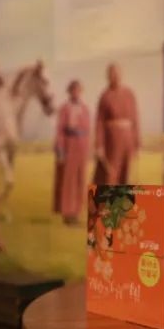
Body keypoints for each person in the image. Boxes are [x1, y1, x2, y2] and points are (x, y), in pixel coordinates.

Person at [94, 64, 140, 185]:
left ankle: (124, 197)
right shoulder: (105, 96)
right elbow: (99, 122)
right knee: (110, 173)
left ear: (121, 75)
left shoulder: (129, 94)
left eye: (117, 73)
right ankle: (111, 197)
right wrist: (99, 145)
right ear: (108, 76)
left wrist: (137, 143)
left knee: (127, 173)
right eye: (112, 74)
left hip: (128, 140)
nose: (115, 76)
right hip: (112, 141)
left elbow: (135, 120)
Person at [54, 80, 91, 225]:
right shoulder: (64, 108)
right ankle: (68, 213)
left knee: (80, 179)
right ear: (69, 92)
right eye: (73, 90)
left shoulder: (85, 108)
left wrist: (89, 149)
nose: (76, 93)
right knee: (69, 180)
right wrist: (60, 149)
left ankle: (76, 212)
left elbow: (88, 130)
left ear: (81, 91)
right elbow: (60, 130)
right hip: (69, 145)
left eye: (78, 90)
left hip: (82, 146)